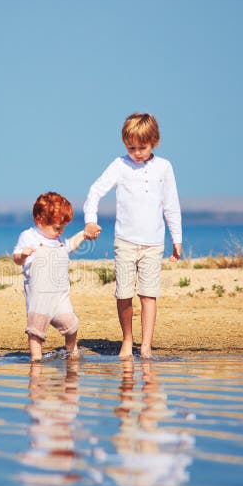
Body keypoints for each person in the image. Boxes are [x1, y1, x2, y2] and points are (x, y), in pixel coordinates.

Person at [83, 112, 182, 358]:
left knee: (149, 295)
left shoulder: (164, 167)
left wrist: (176, 239)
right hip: (125, 242)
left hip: (153, 244)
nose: (136, 152)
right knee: (124, 294)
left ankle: (146, 345)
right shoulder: (120, 165)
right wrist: (90, 222)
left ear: (155, 142)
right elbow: (95, 192)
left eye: (142, 147)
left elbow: (171, 205)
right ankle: (127, 339)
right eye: (131, 147)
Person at [13, 192, 86, 361]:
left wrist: (84, 234)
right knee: (36, 331)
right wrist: (23, 255)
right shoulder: (29, 236)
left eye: (63, 227)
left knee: (71, 325)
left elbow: (71, 246)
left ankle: (71, 351)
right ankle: (36, 359)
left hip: (60, 297)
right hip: (39, 298)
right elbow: (17, 258)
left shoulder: (59, 240)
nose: (60, 231)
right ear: (40, 221)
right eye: (57, 228)